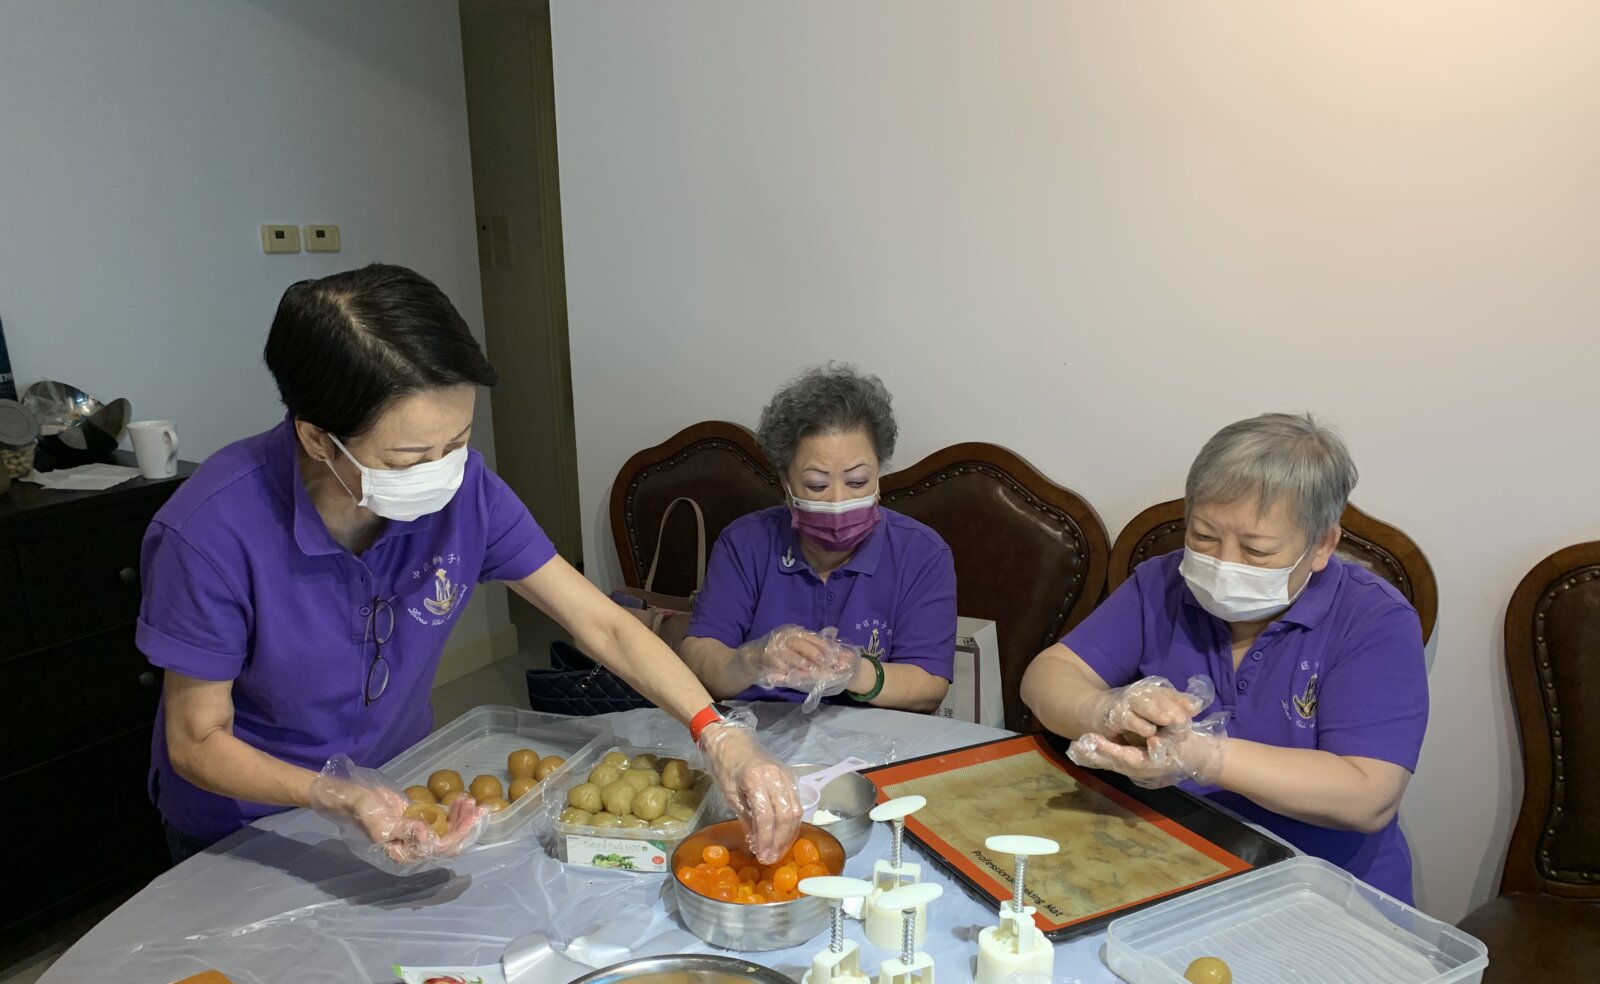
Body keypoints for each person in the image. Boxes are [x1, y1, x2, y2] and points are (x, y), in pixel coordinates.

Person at [138, 264, 800, 866]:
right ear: (317, 438)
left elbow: (602, 624)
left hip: (393, 794)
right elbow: (197, 741)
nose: (442, 473)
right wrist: (335, 795)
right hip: (248, 830)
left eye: (457, 441)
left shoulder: (466, 491)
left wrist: (719, 735)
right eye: (408, 459)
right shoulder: (210, 532)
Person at [1021, 413, 1428, 902]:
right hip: (1166, 862)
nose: (1223, 563)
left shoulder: (1373, 618)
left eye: (1256, 550)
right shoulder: (1162, 585)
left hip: (1321, 891)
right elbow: (1048, 675)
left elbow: (1368, 795)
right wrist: (1107, 710)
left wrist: (1202, 756)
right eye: (1204, 537)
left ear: (1321, 545)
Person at [679, 364, 957, 714]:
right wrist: (752, 659)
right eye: (816, 485)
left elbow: (929, 684)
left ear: (879, 473)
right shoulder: (745, 543)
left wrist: (855, 672)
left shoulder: (922, 554)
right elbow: (700, 654)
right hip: (753, 733)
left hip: (877, 736)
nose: (838, 500)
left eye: (857, 481)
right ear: (785, 481)